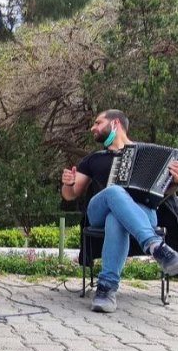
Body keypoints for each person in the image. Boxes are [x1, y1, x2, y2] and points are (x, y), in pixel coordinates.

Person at [61, 109, 178, 313]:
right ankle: (156, 247)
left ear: (115, 123)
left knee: (115, 219)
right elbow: (70, 195)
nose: (93, 128)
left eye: (98, 123)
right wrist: (68, 184)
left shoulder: (150, 154)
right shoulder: (93, 159)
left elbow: (163, 193)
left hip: (143, 213)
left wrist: (176, 182)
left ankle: (106, 289)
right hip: (98, 211)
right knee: (114, 191)